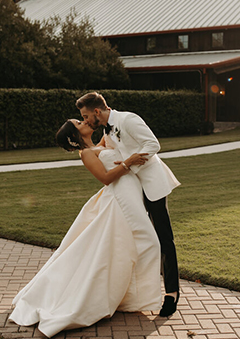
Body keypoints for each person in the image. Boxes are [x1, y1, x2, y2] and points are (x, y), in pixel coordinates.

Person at [9, 119, 162, 337]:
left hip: (130, 193)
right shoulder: (86, 154)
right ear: (75, 134)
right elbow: (106, 178)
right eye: (79, 122)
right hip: (118, 196)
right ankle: (127, 296)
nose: (84, 121)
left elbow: (112, 135)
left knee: (123, 247)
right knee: (146, 242)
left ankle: (128, 296)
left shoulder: (99, 143)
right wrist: (128, 163)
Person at [76, 92, 181, 317]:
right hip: (130, 189)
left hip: (151, 184)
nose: (85, 121)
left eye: (85, 116)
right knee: (134, 238)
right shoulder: (106, 130)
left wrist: (129, 164)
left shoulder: (128, 119)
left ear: (96, 111)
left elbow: (153, 145)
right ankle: (137, 292)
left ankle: (171, 293)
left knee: (163, 237)